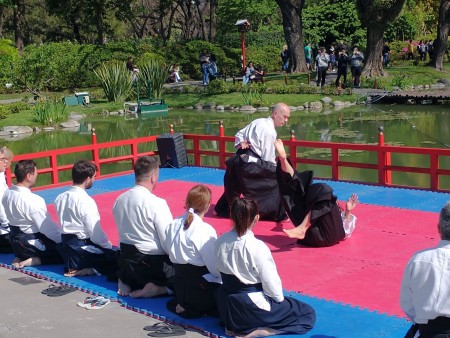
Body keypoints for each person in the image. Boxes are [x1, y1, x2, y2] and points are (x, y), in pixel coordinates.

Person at [215, 198, 316, 337]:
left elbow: (216, 271)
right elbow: (272, 287)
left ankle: (235, 327)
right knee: (307, 313)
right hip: (250, 307)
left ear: (231, 216)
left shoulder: (220, 241)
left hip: (226, 306)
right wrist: (279, 301)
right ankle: (266, 331)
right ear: (256, 218)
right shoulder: (257, 247)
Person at [213, 103, 291, 222]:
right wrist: (279, 169)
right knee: (277, 178)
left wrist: (241, 143)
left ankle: (221, 209)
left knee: (235, 183)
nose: (286, 120)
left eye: (287, 118)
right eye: (284, 117)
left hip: (236, 160)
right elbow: (267, 159)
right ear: (275, 114)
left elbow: (239, 134)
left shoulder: (259, 121)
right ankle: (274, 213)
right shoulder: (269, 131)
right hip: (248, 165)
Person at [275, 139, 358, 247]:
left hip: (330, 234)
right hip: (313, 235)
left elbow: (345, 232)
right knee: (297, 187)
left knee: (323, 191)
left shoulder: (331, 205)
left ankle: (302, 228)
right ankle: (283, 160)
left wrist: (347, 212)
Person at [113, 156, 174, 298]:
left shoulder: (120, 199)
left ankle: (124, 279)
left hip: (125, 263)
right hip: (149, 266)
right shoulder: (156, 203)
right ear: (153, 177)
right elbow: (167, 243)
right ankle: (159, 289)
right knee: (189, 277)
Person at [55, 160, 118, 277]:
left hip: (66, 249)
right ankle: (91, 270)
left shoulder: (60, 198)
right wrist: (109, 246)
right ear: (87, 178)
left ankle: (79, 266)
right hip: (82, 249)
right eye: (94, 177)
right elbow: (95, 232)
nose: (94, 180)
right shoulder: (85, 201)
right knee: (119, 257)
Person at [165, 185, 220, 318]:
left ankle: (183, 303)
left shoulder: (173, 224)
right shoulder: (204, 230)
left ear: (187, 203)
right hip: (199, 287)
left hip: (179, 284)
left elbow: (169, 252)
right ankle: (190, 305)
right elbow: (214, 269)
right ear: (207, 206)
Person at [400, 201, 450, 338]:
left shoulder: (418, 260)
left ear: (439, 228)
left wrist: (423, 318)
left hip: (428, 332)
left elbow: (407, 304)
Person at [2, 160, 62, 268]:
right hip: (30, 243)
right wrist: (62, 241)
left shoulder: (7, 194)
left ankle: (21, 256)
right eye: (35, 172)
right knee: (66, 252)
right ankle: (37, 259)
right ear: (29, 175)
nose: (37, 174)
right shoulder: (33, 200)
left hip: (15, 243)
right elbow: (47, 228)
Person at [0, 147, 13, 253]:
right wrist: (8, 226)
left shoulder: (1, 176)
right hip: (3, 233)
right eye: (2, 159)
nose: (5, 162)